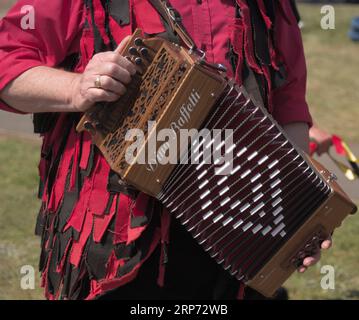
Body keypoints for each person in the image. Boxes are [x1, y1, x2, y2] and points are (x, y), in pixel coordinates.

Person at [0, 0, 332, 300]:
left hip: (238, 231)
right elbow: (6, 60)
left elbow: (288, 101)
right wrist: (75, 88)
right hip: (116, 239)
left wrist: (295, 218)